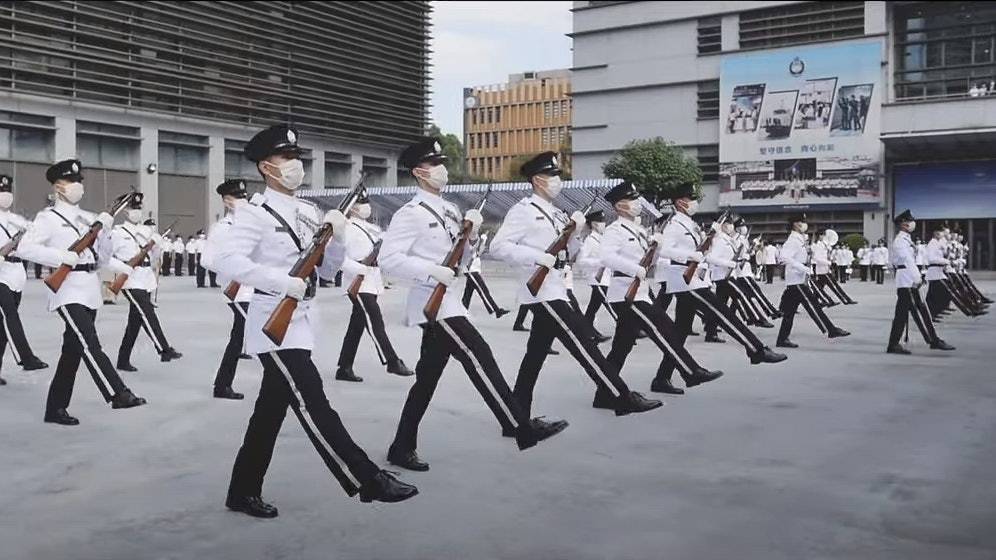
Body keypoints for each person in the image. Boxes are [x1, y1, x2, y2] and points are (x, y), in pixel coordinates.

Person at [215, 125, 418, 518]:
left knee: (269, 414)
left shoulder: (309, 212)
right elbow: (225, 262)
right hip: (270, 321)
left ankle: (241, 491)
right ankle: (367, 479)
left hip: (302, 320)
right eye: (284, 158)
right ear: (265, 166)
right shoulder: (253, 214)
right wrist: (281, 280)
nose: (294, 165)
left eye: (296, 157)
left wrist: (337, 237)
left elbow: (327, 273)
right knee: (312, 398)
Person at [380, 137, 564, 473]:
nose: (442, 170)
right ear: (420, 172)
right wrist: (429, 270)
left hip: (449, 300)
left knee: (427, 379)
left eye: (442, 163)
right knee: (480, 356)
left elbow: (462, 258)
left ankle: (401, 446)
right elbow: (388, 259)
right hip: (432, 303)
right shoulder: (411, 213)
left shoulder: (448, 208)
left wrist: (472, 237)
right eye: (435, 164)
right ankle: (519, 425)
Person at [490, 153, 661, 421]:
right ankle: (621, 395)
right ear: (537, 180)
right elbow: (498, 246)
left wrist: (575, 232)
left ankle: (516, 417)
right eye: (553, 176)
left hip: (556, 286)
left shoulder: (557, 212)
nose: (558, 181)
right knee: (585, 343)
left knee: (534, 357)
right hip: (542, 292)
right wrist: (537, 257)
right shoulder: (523, 210)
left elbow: (570, 254)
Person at [17, 159, 147, 425]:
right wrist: (61, 256)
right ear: (58, 186)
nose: (77, 186)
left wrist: (106, 230)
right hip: (66, 290)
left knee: (72, 351)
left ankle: (55, 409)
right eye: (71, 181)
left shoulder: (89, 218)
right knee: (90, 343)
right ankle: (118, 393)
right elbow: (25, 248)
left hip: (88, 289)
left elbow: (101, 258)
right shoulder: (48, 218)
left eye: (79, 181)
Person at [599, 182, 725, 396]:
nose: (638, 203)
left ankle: (604, 395)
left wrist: (655, 247)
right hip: (625, 293)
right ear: (620, 206)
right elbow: (606, 257)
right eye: (632, 200)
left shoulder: (638, 230)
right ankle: (691, 371)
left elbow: (650, 260)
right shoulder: (615, 230)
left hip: (639, 291)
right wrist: (634, 268)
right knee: (665, 329)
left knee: (621, 347)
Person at [655, 183, 785, 383]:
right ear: (680, 202)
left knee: (680, 333)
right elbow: (663, 250)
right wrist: (691, 255)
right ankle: (756, 349)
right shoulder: (674, 225)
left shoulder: (689, 223)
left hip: (693, 278)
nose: (694, 203)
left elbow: (701, 251)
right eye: (691, 199)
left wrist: (708, 243)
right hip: (684, 281)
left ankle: (662, 379)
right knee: (723, 313)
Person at [333, 191, 413, 382]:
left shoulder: (372, 228)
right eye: (361, 203)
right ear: (352, 207)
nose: (366, 206)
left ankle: (344, 368)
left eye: (366, 202)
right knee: (375, 321)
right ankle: (392, 361)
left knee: (357, 326)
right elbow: (337, 259)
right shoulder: (345, 228)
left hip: (372, 280)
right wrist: (360, 268)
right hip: (358, 283)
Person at [112, 193, 182, 371]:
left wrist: (156, 244)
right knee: (147, 313)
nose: (136, 211)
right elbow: (107, 256)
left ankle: (122, 360)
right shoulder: (117, 233)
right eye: (133, 208)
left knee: (134, 323)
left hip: (145, 278)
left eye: (138, 208)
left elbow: (154, 257)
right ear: (125, 211)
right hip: (130, 278)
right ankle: (163, 349)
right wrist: (122, 268)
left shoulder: (146, 231)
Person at [202, 179, 254, 400]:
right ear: (226, 202)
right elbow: (207, 260)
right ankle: (222, 385)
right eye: (237, 198)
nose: (242, 201)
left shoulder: (252, 226)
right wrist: (235, 269)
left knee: (239, 337)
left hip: (255, 289)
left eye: (244, 197)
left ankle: (222, 385)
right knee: (251, 333)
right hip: (238, 291)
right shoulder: (222, 229)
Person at [0, 174, 50, 385]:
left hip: (16, 274)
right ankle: (26, 358)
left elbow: (33, 245)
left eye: (7, 192)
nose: (5, 196)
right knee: (10, 316)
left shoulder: (18, 220)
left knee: (2, 328)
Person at [774, 214, 850, 348]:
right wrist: (802, 267)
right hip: (796, 280)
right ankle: (830, 330)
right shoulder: (793, 240)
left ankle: (782, 339)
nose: (805, 224)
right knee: (813, 304)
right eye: (802, 222)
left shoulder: (800, 239)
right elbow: (783, 257)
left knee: (789, 313)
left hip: (798, 279)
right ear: (795, 224)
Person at [886, 210, 955, 355]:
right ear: (904, 224)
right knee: (920, 310)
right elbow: (907, 261)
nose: (912, 223)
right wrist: (917, 278)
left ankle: (893, 345)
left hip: (906, 278)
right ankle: (933, 340)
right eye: (910, 221)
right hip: (907, 280)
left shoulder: (905, 240)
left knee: (902, 314)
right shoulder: (900, 241)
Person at [576, 210, 617, 336]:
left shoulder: (601, 239)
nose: (603, 224)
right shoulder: (590, 240)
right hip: (597, 279)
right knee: (608, 307)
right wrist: (599, 262)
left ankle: (587, 331)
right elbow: (581, 260)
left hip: (605, 278)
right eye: (601, 222)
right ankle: (629, 330)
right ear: (593, 224)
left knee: (593, 307)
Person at [460, 232, 509, 317]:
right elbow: (475, 252)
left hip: (472, 270)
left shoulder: (474, 240)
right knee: (483, 291)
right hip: (471, 270)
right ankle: (496, 310)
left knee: (468, 294)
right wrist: (482, 240)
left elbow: (478, 252)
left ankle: (461, 312)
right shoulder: (467, 241)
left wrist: (483, 241)